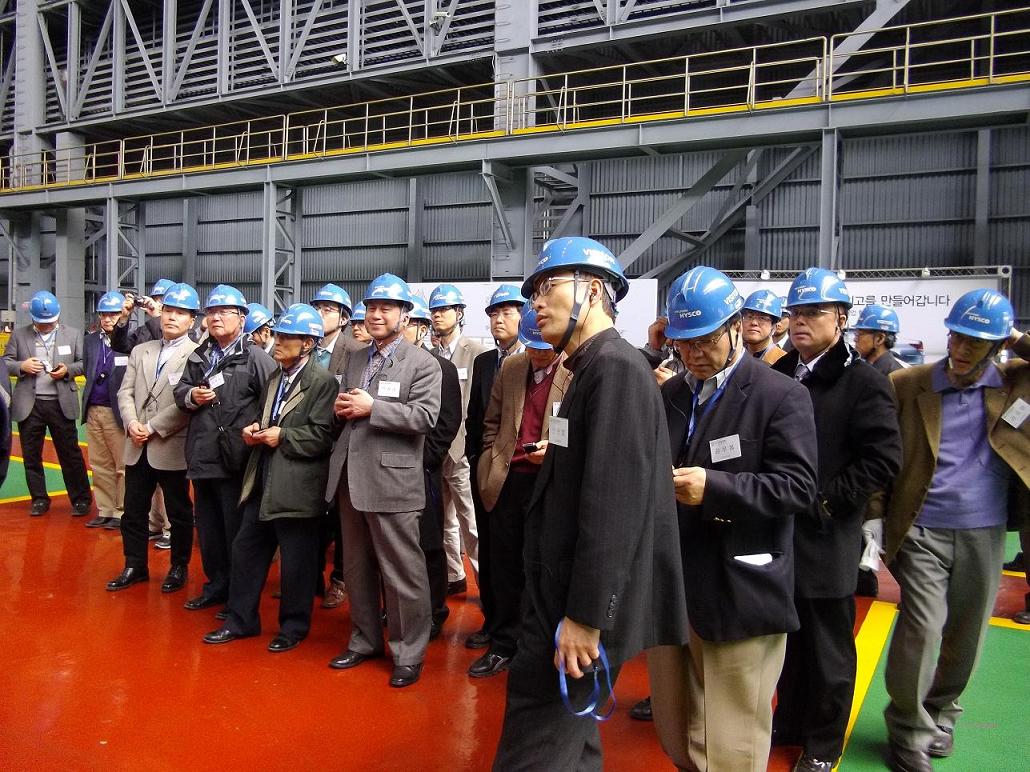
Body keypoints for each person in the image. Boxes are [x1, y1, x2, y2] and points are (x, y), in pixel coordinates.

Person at [492, 237, 687, 770]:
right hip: (560, 595)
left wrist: (586, 617)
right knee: (574, 746)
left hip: (575, 610)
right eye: (534, 291)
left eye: (548, 286)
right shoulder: (591, 367)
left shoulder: (614, 369)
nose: (535, 302)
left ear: (594, 290)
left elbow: (613, 507)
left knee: (532, 751)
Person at [646, 267, 818, 772]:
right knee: (677, 729)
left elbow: (798, 487)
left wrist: (714, 489)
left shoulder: (779, 395)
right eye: (683, 343)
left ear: (735, 326)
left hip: (739, 588)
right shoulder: (673, 395)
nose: (693, 354)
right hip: (675, 588)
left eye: (705, 341)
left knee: (732, 742)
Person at [866, 292, 1029, 772]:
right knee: (921, 627)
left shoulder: (1015, 383)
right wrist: (874, 514)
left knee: (967, 634)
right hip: (920, 528)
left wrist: (1015, 336)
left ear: (998, 345)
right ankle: (908, 731)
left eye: (975, 342)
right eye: (956, 336)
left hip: (985, 531)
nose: (959, 349)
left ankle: (940, 712)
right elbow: (880, 453)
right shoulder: (908, 384)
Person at [770, 268, 902, 772]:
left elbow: (882, 459)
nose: (801, 322)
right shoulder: (782, 371)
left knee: (828, 647)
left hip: (825, 535)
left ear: (841, 319)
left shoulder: (863, 382)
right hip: (779, 528)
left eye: (814, 313)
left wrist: (826, 503)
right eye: (796, 313)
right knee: (788, 637)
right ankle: (789, 721)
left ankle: (824, 744)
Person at [327, 274, 441, 688]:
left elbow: (425, 417)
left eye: (386, 308)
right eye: (372, 307)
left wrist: (373, 407)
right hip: (351, 477)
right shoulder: (356, 358)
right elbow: (348, 407)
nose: (376, 314)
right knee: (356, 568)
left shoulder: (422, 364)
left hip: (393, 481)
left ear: (405, 315)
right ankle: (364, 640)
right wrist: (342, 408)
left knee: (402, 572)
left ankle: (409, 652)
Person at [202, 303, 336, 652]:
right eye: (277, 335)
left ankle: (293, 627)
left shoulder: (322, 383)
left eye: (286, 337)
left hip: (297, 486)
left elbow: (323, 436)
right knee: (245, 550)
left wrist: (283, 436)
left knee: (297, 562)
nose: (277, 342)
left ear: (308, 343)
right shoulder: (276, 377)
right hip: (263, 480)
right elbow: (270, 417)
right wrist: (257, 430)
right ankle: (240, 620)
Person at [473, 304, 571, 679]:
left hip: (548, 481)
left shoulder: (574, 371)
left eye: (544, 348)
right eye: (531, 347)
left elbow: (578, 426)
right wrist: (490, 456)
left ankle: (535, 648)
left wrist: (556, 450)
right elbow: (492, 420)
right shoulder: (512, 367)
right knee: (503, 566)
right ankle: (502, 643)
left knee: (541, 569)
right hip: (506, 479)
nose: (536, 354)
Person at [176, 286, 276, 613]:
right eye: (212, 312)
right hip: (202, 455)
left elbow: (272, 402)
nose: (216, 318)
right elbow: (181, 390)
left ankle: (238, 595)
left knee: (237, 532)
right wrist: (192, 396)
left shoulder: (256, 358)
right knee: (209, 531)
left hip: (236, 460)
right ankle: (216, 585)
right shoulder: (200, 355)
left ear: (242, 318)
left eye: (224, 312)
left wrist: (256, 429)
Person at [107, 283, 200, 593]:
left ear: (192, 320)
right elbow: (126, 391)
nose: (171, 317)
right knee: (133, 510)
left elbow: (187, 402)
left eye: (180, 313)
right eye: (168, 310)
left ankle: (178, 567)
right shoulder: (141, 350)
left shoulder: (196, 354)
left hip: (169, 444)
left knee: (178, 512)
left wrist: (153, 427)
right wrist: (132, 422)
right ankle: (134, 565)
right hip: (137, 444)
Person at [464, 284, 527, 650]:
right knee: (488, 550)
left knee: (513, 555)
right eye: (493, 313)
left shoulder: (538, 358)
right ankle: (492, 620)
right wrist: (477, 460)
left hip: (520, 473)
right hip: (487, 470)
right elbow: (476, 416)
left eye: (506, 312)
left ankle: (514, 629)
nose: (498, 319)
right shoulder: (485, 362)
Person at [3, 290, 91, 517]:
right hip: (29, 405)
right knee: (31, 456)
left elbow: (84, 363)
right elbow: (6, 362)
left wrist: (67, 370)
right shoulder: (19, 336)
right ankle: (39, 499)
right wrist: (22, 366)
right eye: (42, 323)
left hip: (61, 404)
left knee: (70, 454)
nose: (47, 326)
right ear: (33, 318)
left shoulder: (73, 334)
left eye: (51, 322)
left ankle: (81, 499)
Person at [404, 293, 462, 638]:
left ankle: (434, 609)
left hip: (423, 470)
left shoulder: (442, 368)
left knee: (428, 542)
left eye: (410, 322)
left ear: (422, 328)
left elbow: (448, 422)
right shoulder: (384, 366)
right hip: (388, 471)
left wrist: (425, 459)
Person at [429, 283, 487, 595]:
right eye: (434, 310)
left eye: (444, 309)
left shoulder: (475, 352)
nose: (437, 315)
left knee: (471, 524)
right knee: (444, 522)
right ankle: (454, 575)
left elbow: (479, 404)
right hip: (436, 450)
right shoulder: (429, 356)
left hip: (462, 450)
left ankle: (486, 589)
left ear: (459, 313)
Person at [310, 283, 364, 609]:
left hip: (339, 444)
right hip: (308, 446)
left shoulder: (356, 351)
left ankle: (340, 580)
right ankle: (310, 578)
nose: (320, 314)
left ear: (344, 318)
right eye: (317, 307)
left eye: (328, 309)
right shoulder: (305, 346)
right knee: (312, 518)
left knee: (342, 521)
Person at [82, 291, 131, 530]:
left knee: (122, 465)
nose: (108, 318)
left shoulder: (130, 340)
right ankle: (105, 509)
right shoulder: (91, 340)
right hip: (94, 409)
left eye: (113, 314)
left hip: (117, 411)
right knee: (99, 464)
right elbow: (87, 368)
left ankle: (122, 511)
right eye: (104, 314)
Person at [853, 304, 905, 376]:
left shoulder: (895, 376)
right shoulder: (866, 369)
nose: (855, 339)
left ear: (879, 339)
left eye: (859, 334)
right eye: (856, 334)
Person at [741, 289, 788, 364]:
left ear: (774, 326)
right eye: (749, 316)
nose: (754, 322)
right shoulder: (733, 356)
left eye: (762, 318)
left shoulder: (784, 362)